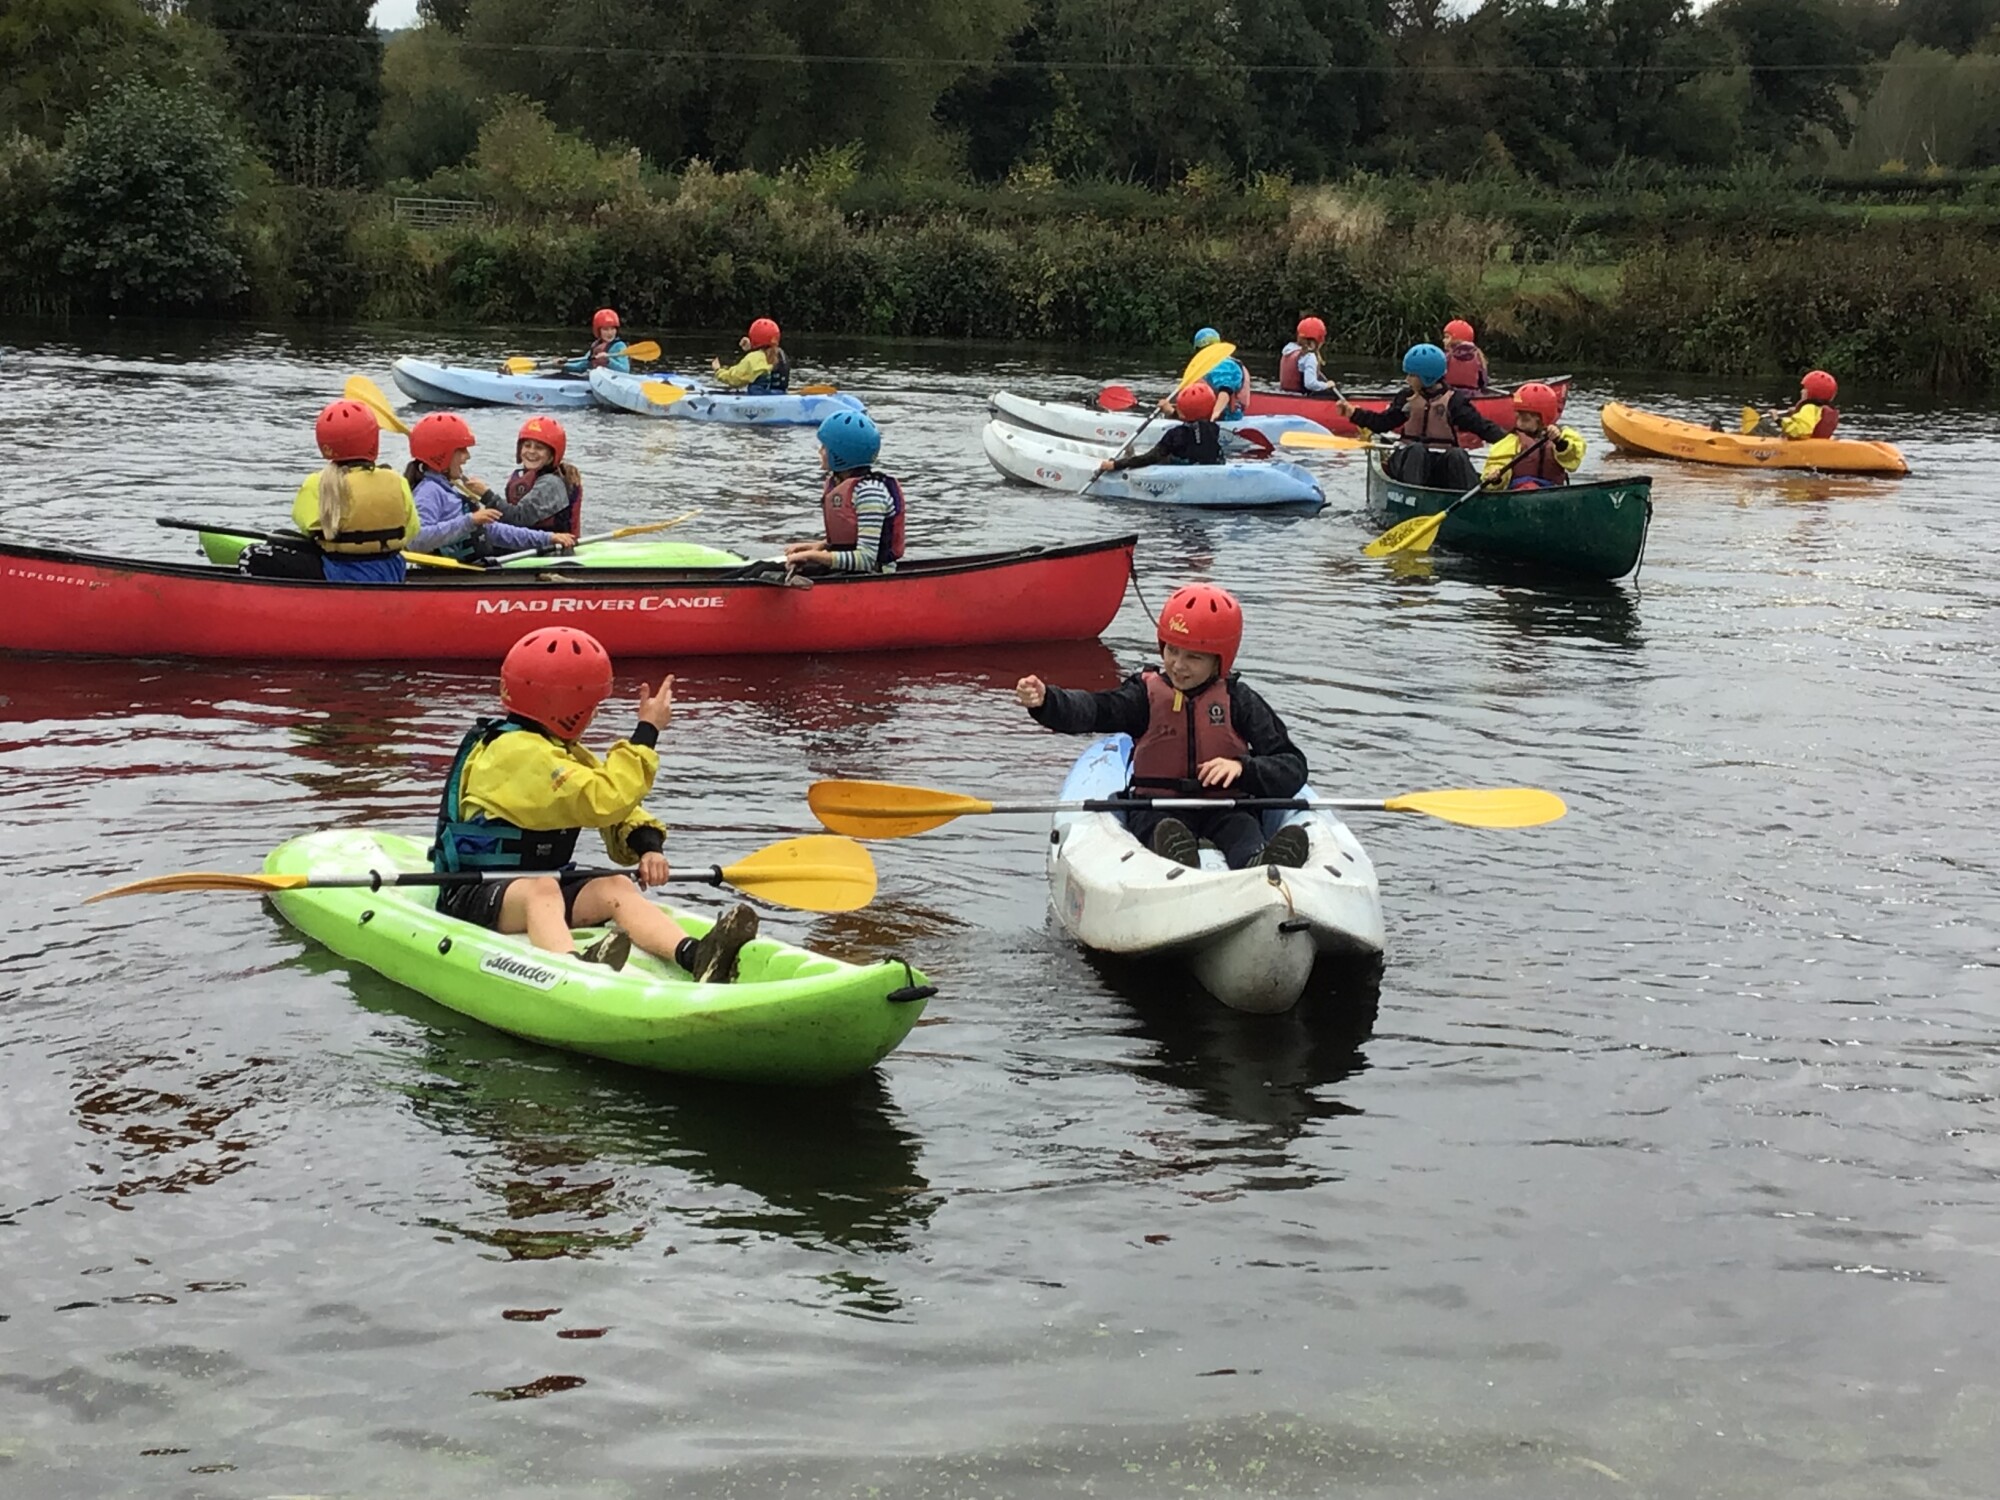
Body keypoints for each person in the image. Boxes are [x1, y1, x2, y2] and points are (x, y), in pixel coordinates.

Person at [430, 625, 761, 980]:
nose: (594, 714)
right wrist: (647, 731)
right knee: (540, 891)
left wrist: (647, 847)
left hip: (540, 884)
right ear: (567, 706)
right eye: (591, 706)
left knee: (615, 886)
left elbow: (615, 807)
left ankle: (694, 955)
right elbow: (603, 798)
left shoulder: (555, 750)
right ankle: (571, 971)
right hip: (472, 891)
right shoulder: (516, 753)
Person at [1014, 583, 1310, 872]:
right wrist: (1047, 701)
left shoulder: (1240, 701)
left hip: (1225, 807)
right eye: (1172, 651)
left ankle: (1259, 866)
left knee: (1243, 828)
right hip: (1157, 807)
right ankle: (1175, 860)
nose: (1178, 665)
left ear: (1219, 660)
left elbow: (1291, 766)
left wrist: (1243, 769)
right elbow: (1094, 711)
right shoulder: (1143, 696)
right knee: (1162, 828)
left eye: (1193, 657)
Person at [252, 399, 419, 583]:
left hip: (338, 574)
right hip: (391, 572)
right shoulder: (397, 481)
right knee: (286, 537)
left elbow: (306, 529)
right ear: (373, 440)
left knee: (253, 554)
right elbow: (412, 529)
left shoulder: (317, 483)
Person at [405, 413, 567, 564]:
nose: (467, 456)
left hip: (474, 568)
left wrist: (548, 538)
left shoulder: (447, 490)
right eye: (462, 450)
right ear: (442, 455)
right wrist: (471, 520)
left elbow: (495, 531)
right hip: (449, 578)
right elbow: (416, 541)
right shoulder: (429, 492)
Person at [1339, 343, 1506, 489]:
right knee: (1416, 450)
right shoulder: (1406, 397)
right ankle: (1414, 496)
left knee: (1457, 455)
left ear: (1427, 377)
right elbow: (1383, 423)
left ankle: (1474, 502)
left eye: (1412, 375)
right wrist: (1354, 414)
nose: (1407, 379)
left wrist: (1513, 442)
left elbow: (1483, 427)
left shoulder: (1454, 401)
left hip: (1439, 466)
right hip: (1408, 463)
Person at [782, 410, 905, 576]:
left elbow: (866, 560)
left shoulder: (870, 493)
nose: (820, 451)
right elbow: (851, 542)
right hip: (845, 571)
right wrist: (820, 546)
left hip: (871, 575)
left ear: (840, 453)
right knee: (762, 569)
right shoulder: (842, 484)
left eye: (825, 447)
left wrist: (813, 556)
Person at [1098, 383, 1223, 474]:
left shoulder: (1174, 435)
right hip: (1210, 470)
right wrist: (1173, 412)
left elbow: (1150, 458)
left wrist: (1115, 465)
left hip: (1177, 473)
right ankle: (1130, 456)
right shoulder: (1214, 428)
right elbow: (1195, 423)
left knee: (1161, 457)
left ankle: (1128, 458)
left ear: (1181, 411)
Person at [495, 415, 582, 544]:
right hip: (527, 542)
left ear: (552, 455)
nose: (531, 451)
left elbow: (518, 518)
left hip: (552, 550)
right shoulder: (526, 476)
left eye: (539, 448)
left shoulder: (552, 484)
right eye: (527, 445)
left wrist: (485, 495)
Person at [1481, 382, 1584, 489]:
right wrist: (1496, 478)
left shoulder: (1564, 435)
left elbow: (1573, 462)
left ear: (1542, 418)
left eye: (1525, 418)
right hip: (1519, 492)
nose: (1519, 423)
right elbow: (1493, 471)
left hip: (1552, 491)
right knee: (1529, 486)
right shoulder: (1511, 441)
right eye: (1518, 415)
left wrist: (1559, 442)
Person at [1179, 326, 1247, 420]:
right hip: (1212, 417)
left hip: (1226, 419)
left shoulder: (1224, 364)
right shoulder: (1209, 366)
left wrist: (1215, 414)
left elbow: (1225, 391)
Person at [710, 318, 789, 393]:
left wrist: (718, 371)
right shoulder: (781, 354)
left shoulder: (754, 358)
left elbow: (735, 379)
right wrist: (752, 347)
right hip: (779, 395)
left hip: (759, 400)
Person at [1761, 369, 1841, 439]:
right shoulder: (1819, 409)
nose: (1801, 391)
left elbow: (1800, 431)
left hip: (1804, 448)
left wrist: (1778, 419)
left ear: (1813, 391)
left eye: (1805, 389)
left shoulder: (1809, 408)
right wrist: (1796, 412)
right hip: (1817, 444)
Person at [1278, 316, 1337, 396]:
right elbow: (1310, 384)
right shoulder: (1309, 357)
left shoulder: (1289, 350)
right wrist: (1327, 385)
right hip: (1299, 400)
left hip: (1283, 395)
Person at [562, 308, 629, 374]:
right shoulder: (596, 346)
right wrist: (562, 365)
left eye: (612, 329)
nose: (610, 333)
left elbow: (625, 370)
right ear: (598, 331)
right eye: (605, 329)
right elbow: (581, 366)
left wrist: (608, 361)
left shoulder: (619, 346)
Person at [1442, 318, 1491, 392]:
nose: (1443, 340)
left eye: (1447, 337)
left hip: (1451, 396)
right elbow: (1483, 383)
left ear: (1456, 339)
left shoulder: (1447, 357)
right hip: (1473, 396)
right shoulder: (1478, 356)